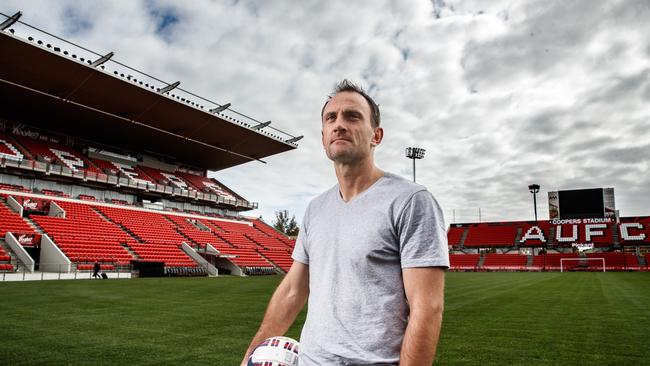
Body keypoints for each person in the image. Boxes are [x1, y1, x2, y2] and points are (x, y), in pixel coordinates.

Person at [241, 80, 449, 365]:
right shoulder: (315, 209)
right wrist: (250, 354)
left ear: (376, 135)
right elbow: (293, 290)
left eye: (352, 116)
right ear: (324, 136)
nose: (339, 124)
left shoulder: (411, 200)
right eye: (331, 118)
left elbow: (427, 308)